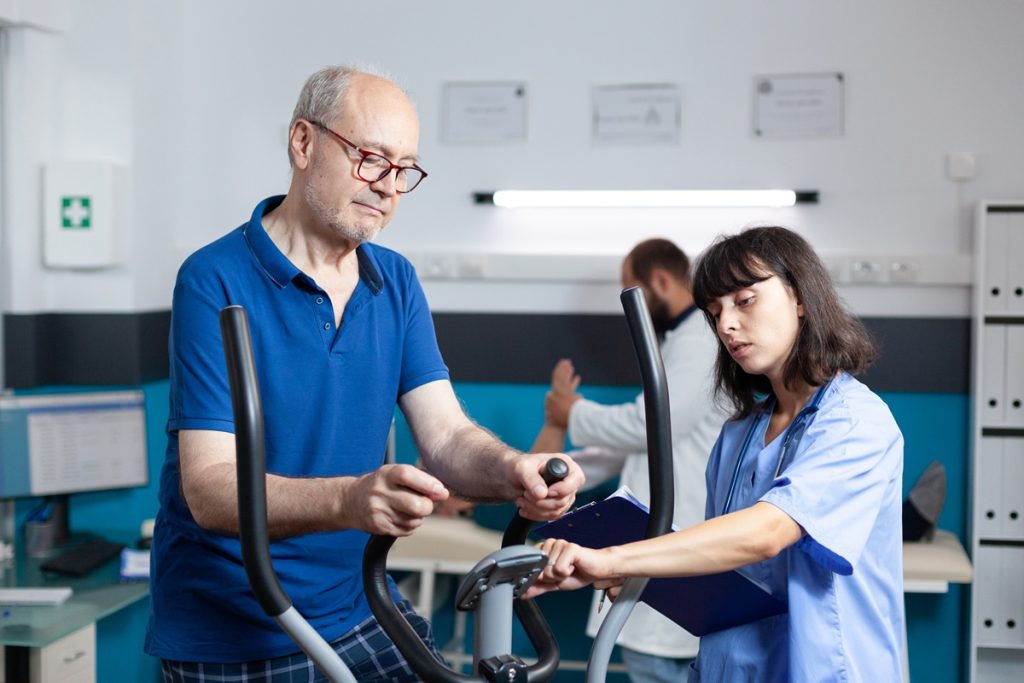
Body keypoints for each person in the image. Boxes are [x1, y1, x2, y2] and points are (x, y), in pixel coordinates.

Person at [144, 65, 584, 682]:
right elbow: (211, 490)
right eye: (370, 158)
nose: (388, 186)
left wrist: (514, 471)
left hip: (358, 602)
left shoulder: (394, 280)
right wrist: (350, 500)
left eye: (404, 169)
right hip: (236, 624)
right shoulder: (214, 278)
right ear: (303, 143)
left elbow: (448, 438)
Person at [529, 226, 905, 682]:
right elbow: (733, 579)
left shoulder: (855, 422)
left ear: (800, 297)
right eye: (715, 311)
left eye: (745, 300)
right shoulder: (738, 435)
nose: (726, 324)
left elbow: (766, 534)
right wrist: (641, 577)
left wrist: (615, 557)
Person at [531, 238, 729, 682]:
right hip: (658, 547)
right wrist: (567, 467)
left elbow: (651, 425)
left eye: (630, 288)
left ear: (659, 281)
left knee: (660, 660)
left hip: (680, 540)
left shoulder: (699, 340)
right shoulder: (681, 343)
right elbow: (643, 443)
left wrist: (571, 412)